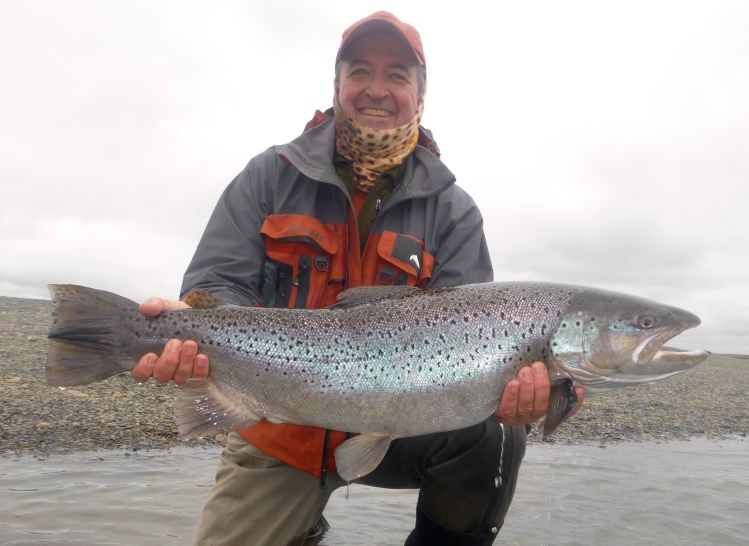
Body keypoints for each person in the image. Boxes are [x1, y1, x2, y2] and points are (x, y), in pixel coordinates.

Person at [132, 12, 583, 546]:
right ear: (338, 84)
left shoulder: (455, 212)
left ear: (419, 95)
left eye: (397, 75)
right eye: (360, 71)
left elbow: (478, 339)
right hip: (279, 428)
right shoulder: (269, 176)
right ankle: (301, 524)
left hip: (401, 428)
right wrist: (192, 338)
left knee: (495, 438)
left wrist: (533, 398)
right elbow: (219, 283)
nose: (376, 89)